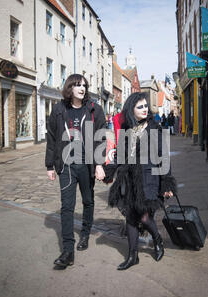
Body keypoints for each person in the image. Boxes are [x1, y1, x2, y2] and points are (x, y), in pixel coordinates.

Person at [103, 92, 177, 270]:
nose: (144, 109)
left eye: (145, 106)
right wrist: (109, 172)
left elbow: (163, 157)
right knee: (130, 217)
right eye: (140, 107)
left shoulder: (154, 128)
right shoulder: (128, 130)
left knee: (144, 217)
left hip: (148, 179)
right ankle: (132, 255)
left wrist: (166, 183)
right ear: (131, 110)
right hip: (129, 180)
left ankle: (157, 239)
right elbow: (120, 157)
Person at [45, 74, 106, 270]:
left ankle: (86, 233)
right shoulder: (59, 109)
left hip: (87, 165)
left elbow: (100, 138)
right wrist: (49, 165)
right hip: (66, 166)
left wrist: (99, 164)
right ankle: (68, 250)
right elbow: (52, 138)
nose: (82, 88)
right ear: (69, 88)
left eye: (84, 85)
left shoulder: (95, 109)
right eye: (77, 85)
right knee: (67, 206)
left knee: (88, 201)